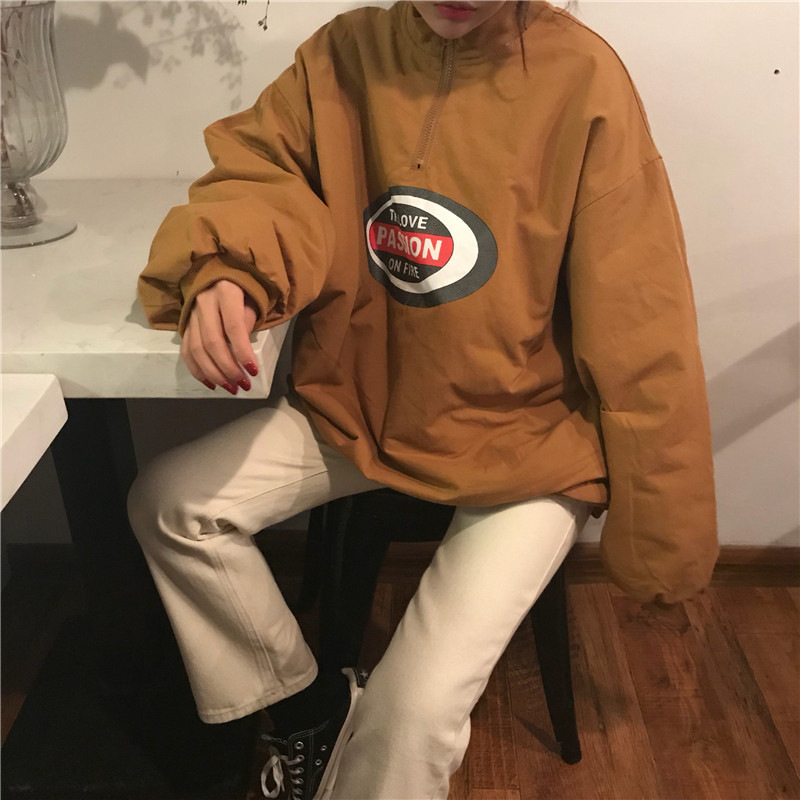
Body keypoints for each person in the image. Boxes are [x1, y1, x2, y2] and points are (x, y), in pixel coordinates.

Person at [129, 1, 719, 798]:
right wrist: (229, 267)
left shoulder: (583, 80)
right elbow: (265, 175)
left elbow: (640, 315)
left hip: (527, 440)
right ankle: (308, 707)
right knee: (171, 504)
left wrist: (665, 532)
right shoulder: (343, 55)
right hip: (365, 404)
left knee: (411, 716)